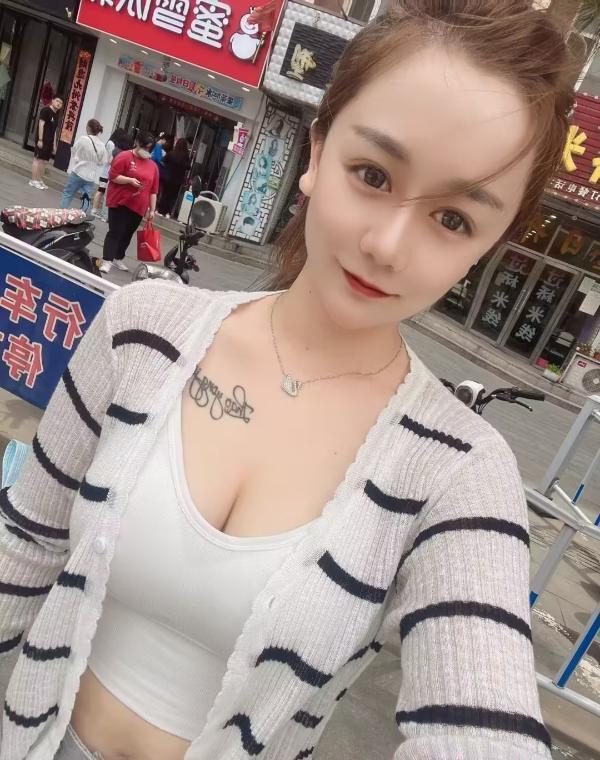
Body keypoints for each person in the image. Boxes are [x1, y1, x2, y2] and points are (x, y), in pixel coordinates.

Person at [0, 3, 579, 760]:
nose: (386, 244)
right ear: (318, 148)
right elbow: (25, 546)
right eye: (372, 175)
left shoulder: (459, 474)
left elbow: (479, 732)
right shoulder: (140, 329)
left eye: (454, 220)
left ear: (490, 245)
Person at [99, 130, 158, 273]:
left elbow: (153, 190)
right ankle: (107, 260)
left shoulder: (153, 166)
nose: (146, 151)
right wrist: (129, 180)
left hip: (138, 206)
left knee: (128, 233)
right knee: (116, 231)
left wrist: (152, 210)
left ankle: (118, 257)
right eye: (144, 147)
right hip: (120, 201)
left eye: (149, 149)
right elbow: (113, 176)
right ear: (137, 142)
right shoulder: (124, 156)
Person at [59, 119, 107, 210]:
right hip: (91, 176)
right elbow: (102, 162)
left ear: (88, 128)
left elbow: (74, 151)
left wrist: (78, 159)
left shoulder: (83, 139)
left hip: (78, 172)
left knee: (68, 193)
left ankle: (62, 214)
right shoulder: (101, 145)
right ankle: (83, 217)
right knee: (86, 199)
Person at [92, 128, 133, 220]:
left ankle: (96, 210)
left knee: (102, 192)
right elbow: (110, 160)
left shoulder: (113, 145)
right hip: (106, 172)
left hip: (106, 171)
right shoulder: (112, 144)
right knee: (101, 191)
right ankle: (95, 210)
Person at [29, 96, 63, 190]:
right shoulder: (46, 110)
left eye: (60, 103)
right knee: (37, 159)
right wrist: (40, 139)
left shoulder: (56, 115)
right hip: (43, 140)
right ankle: (33, 180)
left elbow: (54, 131)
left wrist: (54, 145)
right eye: (57, 101)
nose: (58, 104)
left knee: (44, 161)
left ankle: (39, 179)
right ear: (52, 101)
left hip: (50, 141)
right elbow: (41, 124)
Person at [157, 137, 190, 218]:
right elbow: (189, 167)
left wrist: (167, 168)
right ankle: (168, 212)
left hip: (168, 178)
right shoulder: (186, 157)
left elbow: (162, 161)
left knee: (165, 194)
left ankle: (161, 210)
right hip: (178, 180)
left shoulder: (171, 153)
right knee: (173, 196)